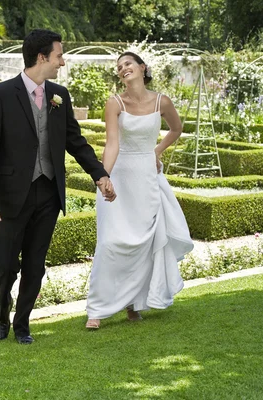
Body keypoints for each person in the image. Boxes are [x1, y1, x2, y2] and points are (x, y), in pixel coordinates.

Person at [0, 29, 116, 344]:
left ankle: (22, 324)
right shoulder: (1, 94)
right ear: (42, 57)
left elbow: (75, 141)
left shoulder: (59, 95)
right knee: (7, 264)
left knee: (35, 266)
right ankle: (2, 313)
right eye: (59, 56)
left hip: (49, 193)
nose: (62, 63)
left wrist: (100, 174)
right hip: (12, 195)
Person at [85, 52, 194, 329]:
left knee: (145, 243)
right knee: (111, 242)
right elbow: (112, 144)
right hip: (120, 177)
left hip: (147, 178)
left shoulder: (162, 101)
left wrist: (155, 151)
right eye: (119, 67)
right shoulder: (115, 102)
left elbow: (176, 129)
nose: (123, 69)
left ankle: (134, 305)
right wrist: (104, 178)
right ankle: (96, 309)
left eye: (128, 64)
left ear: (142, 68)